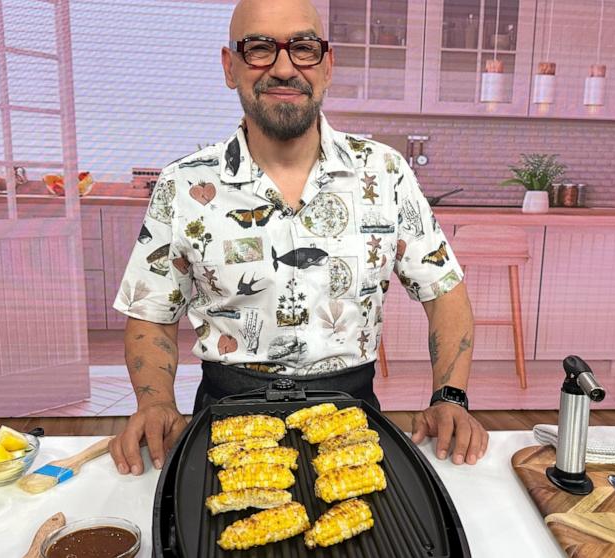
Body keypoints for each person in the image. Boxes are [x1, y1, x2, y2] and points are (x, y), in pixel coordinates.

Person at [109, 0, 488, 476]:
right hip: (226, 414)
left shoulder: (385, 172)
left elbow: (444, 290)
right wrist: (155, 402)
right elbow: (150, 314)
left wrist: (449, 396)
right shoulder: (182, 185)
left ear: (327, 66)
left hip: (352, 415)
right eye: (260, 48)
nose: (284, 67)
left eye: (304, 48)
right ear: (231, 67)